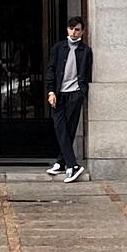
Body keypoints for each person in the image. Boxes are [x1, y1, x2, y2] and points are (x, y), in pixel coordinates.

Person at [44, 16, 92, 182]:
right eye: (71, 29)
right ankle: (72, 164)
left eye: (77, 29)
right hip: (59, 93)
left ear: (82, 32)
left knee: (69, 129)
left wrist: (82, 92)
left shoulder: (86, 51)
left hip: (75, 94)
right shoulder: (59, 48)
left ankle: (61, 162)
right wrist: (50, 91)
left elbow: (87, 74)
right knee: (60, 128)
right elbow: (51, 70)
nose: (73, 32)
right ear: (67, 29)